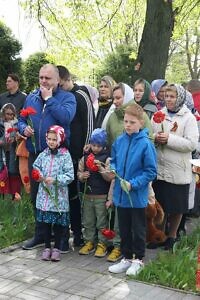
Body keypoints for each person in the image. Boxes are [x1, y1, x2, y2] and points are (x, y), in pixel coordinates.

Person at [18, 63, 76, 250]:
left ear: (58, 80)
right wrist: (22, 128)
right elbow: (21, 118)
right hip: (37, 154)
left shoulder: (68, 97)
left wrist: (50, 100)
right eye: (41, 77)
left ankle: (61, 238)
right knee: (37, 195)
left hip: (59, 155)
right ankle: (41, 235)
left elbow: (66, 118)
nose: (43, 81)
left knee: (57, 196)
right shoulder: (32, 97)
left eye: (48, 78)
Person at [106, 83, 154, 262]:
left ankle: (138, 260)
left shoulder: (145, 143)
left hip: (136, 195)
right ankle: (126, 258)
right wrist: (113, 169)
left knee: (138, 229)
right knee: (124, 229)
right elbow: (116, 160)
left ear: (141, 123)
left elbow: (150, 172)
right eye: (125, 121)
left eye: (132, 122)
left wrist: (133, 184)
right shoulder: (119, 141)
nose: (127, 125)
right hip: (121, 194)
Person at [152, 84, 199, 250]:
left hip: (178, 168)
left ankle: (172, 236)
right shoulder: (159, 114)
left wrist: (169, 139)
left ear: (179, 97)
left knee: (176, 206)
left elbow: (192, 144)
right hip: (161, 167)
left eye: (172, 96)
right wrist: (156, 137)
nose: (169, 99)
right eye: (166, 96)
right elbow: (151, 133)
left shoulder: (188, 118)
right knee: (161, 203)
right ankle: (160, 235)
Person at [57, 65, 95, 248]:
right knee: (70, 194)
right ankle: (72, 229)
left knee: (79, 195)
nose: (60, 88)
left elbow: (89, 122)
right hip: (65, 152)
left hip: (80, 153)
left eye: (61, 84)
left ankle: (81, 232)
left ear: (67, 79)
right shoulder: (61, 96)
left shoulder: (81, 95)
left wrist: (86, 151)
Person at [33, 125, 74, 261]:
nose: (51, 142)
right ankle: (46, 247)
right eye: (49, 139)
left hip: (58, 197)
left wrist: (56, 180)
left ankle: (56, 247)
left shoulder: (65, 155)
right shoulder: (43, 153)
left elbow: (70, 175)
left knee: (58, 224)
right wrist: (38, 175)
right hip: (44, 196)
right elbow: (36, 167)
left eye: (54, 139)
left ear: (60, 139)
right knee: (45, 223)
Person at [78, 128, 113, 257]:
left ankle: (102, 243)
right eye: (93, 145)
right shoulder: (85, 157)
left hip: (101, 196)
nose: (95, 148)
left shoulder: (107, 159)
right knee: (88, 221)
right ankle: (89, 241)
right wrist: (82, 176)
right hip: (88, 195)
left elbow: (110, 177)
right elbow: (79, 173)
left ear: (104, 146)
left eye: (99, 146)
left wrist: (100, 168)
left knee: (101, 221)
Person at [0, 103, 22, 198]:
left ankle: (14, 193)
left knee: (12, 170)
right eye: (7, 114)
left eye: (11, 114)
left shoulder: (16, 123)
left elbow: (19, 136)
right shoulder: (1, 123)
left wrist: (16, 137)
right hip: (2, 149)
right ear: (3, 113)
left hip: (13, 149)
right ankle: (4, 193)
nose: (9, 116)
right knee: (4, 170)